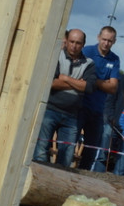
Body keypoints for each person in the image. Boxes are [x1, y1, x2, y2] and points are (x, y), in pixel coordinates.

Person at [33, 29, 95, 168]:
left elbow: (89, 87)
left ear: (83, 44)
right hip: (50, 110)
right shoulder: (56, 56)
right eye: (72, 42)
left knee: (66, 156)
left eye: (78, 43)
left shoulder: (89, 63)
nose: (74, 45)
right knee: (41, 150)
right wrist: (77, 83)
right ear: (66, 41)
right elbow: (51, 82)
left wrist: (66, 78)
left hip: (72, 116)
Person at [77, 25, 120, 170]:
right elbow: (78, 77)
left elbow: (113, 87)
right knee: (69, 147)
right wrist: (104, 82)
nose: (106, 43)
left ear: (114, 42)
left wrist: (91, 81)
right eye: (104, 39)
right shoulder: (87, 51)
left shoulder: (114, 59)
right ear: (98, 37)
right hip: (79, 106)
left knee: (91, 151)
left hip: (98, 111)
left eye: (110, 41)